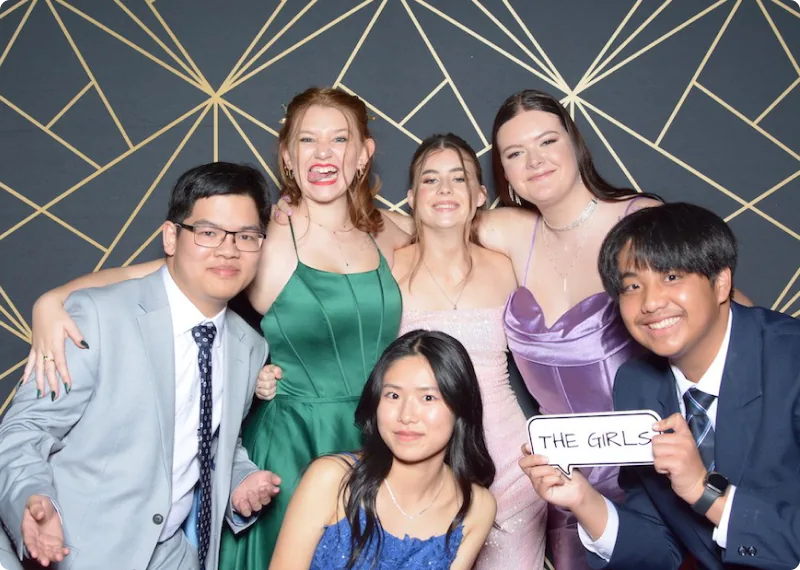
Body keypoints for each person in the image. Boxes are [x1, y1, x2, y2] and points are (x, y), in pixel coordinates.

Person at [18, 87, 407, 566]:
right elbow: (170, 268)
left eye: (340, 139)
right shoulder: (265, 235)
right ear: (287, 156)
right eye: (308, 140)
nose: (323, 153)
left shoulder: (395, 232)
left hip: (382, 434)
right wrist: (54, 299)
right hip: (294, 442)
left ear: (364, 153)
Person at [0, 162, 281, 570]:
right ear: (171, 236)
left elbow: (209, 438)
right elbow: (26, 429)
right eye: (208, 232)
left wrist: (241, 481)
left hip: (174, 555)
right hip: (73, 552)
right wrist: (32, 501)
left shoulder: (249, 344)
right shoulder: (97, 315)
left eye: (247, 236)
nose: (228, 249)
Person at [521, 203, 800, 569]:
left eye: (671, 277)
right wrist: (583, 499)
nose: (651, 303)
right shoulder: (637, 384)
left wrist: (705, 492)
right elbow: (659, 549)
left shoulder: (790, 359)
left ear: (721, 283)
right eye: (633, 286)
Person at [393, 133, 547, 568]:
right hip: (422, 467)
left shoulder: (507, 267)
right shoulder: (387, 269)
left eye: (458, 179)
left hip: (511, 467)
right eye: (430, 179)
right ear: (411, 197)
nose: (444, 190)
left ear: (480, 195)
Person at [269, 329, 497, 570]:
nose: (407, 415)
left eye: (428, 398)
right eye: (393, 395)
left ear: (460, 407)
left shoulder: (476, 507)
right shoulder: (331, 479)